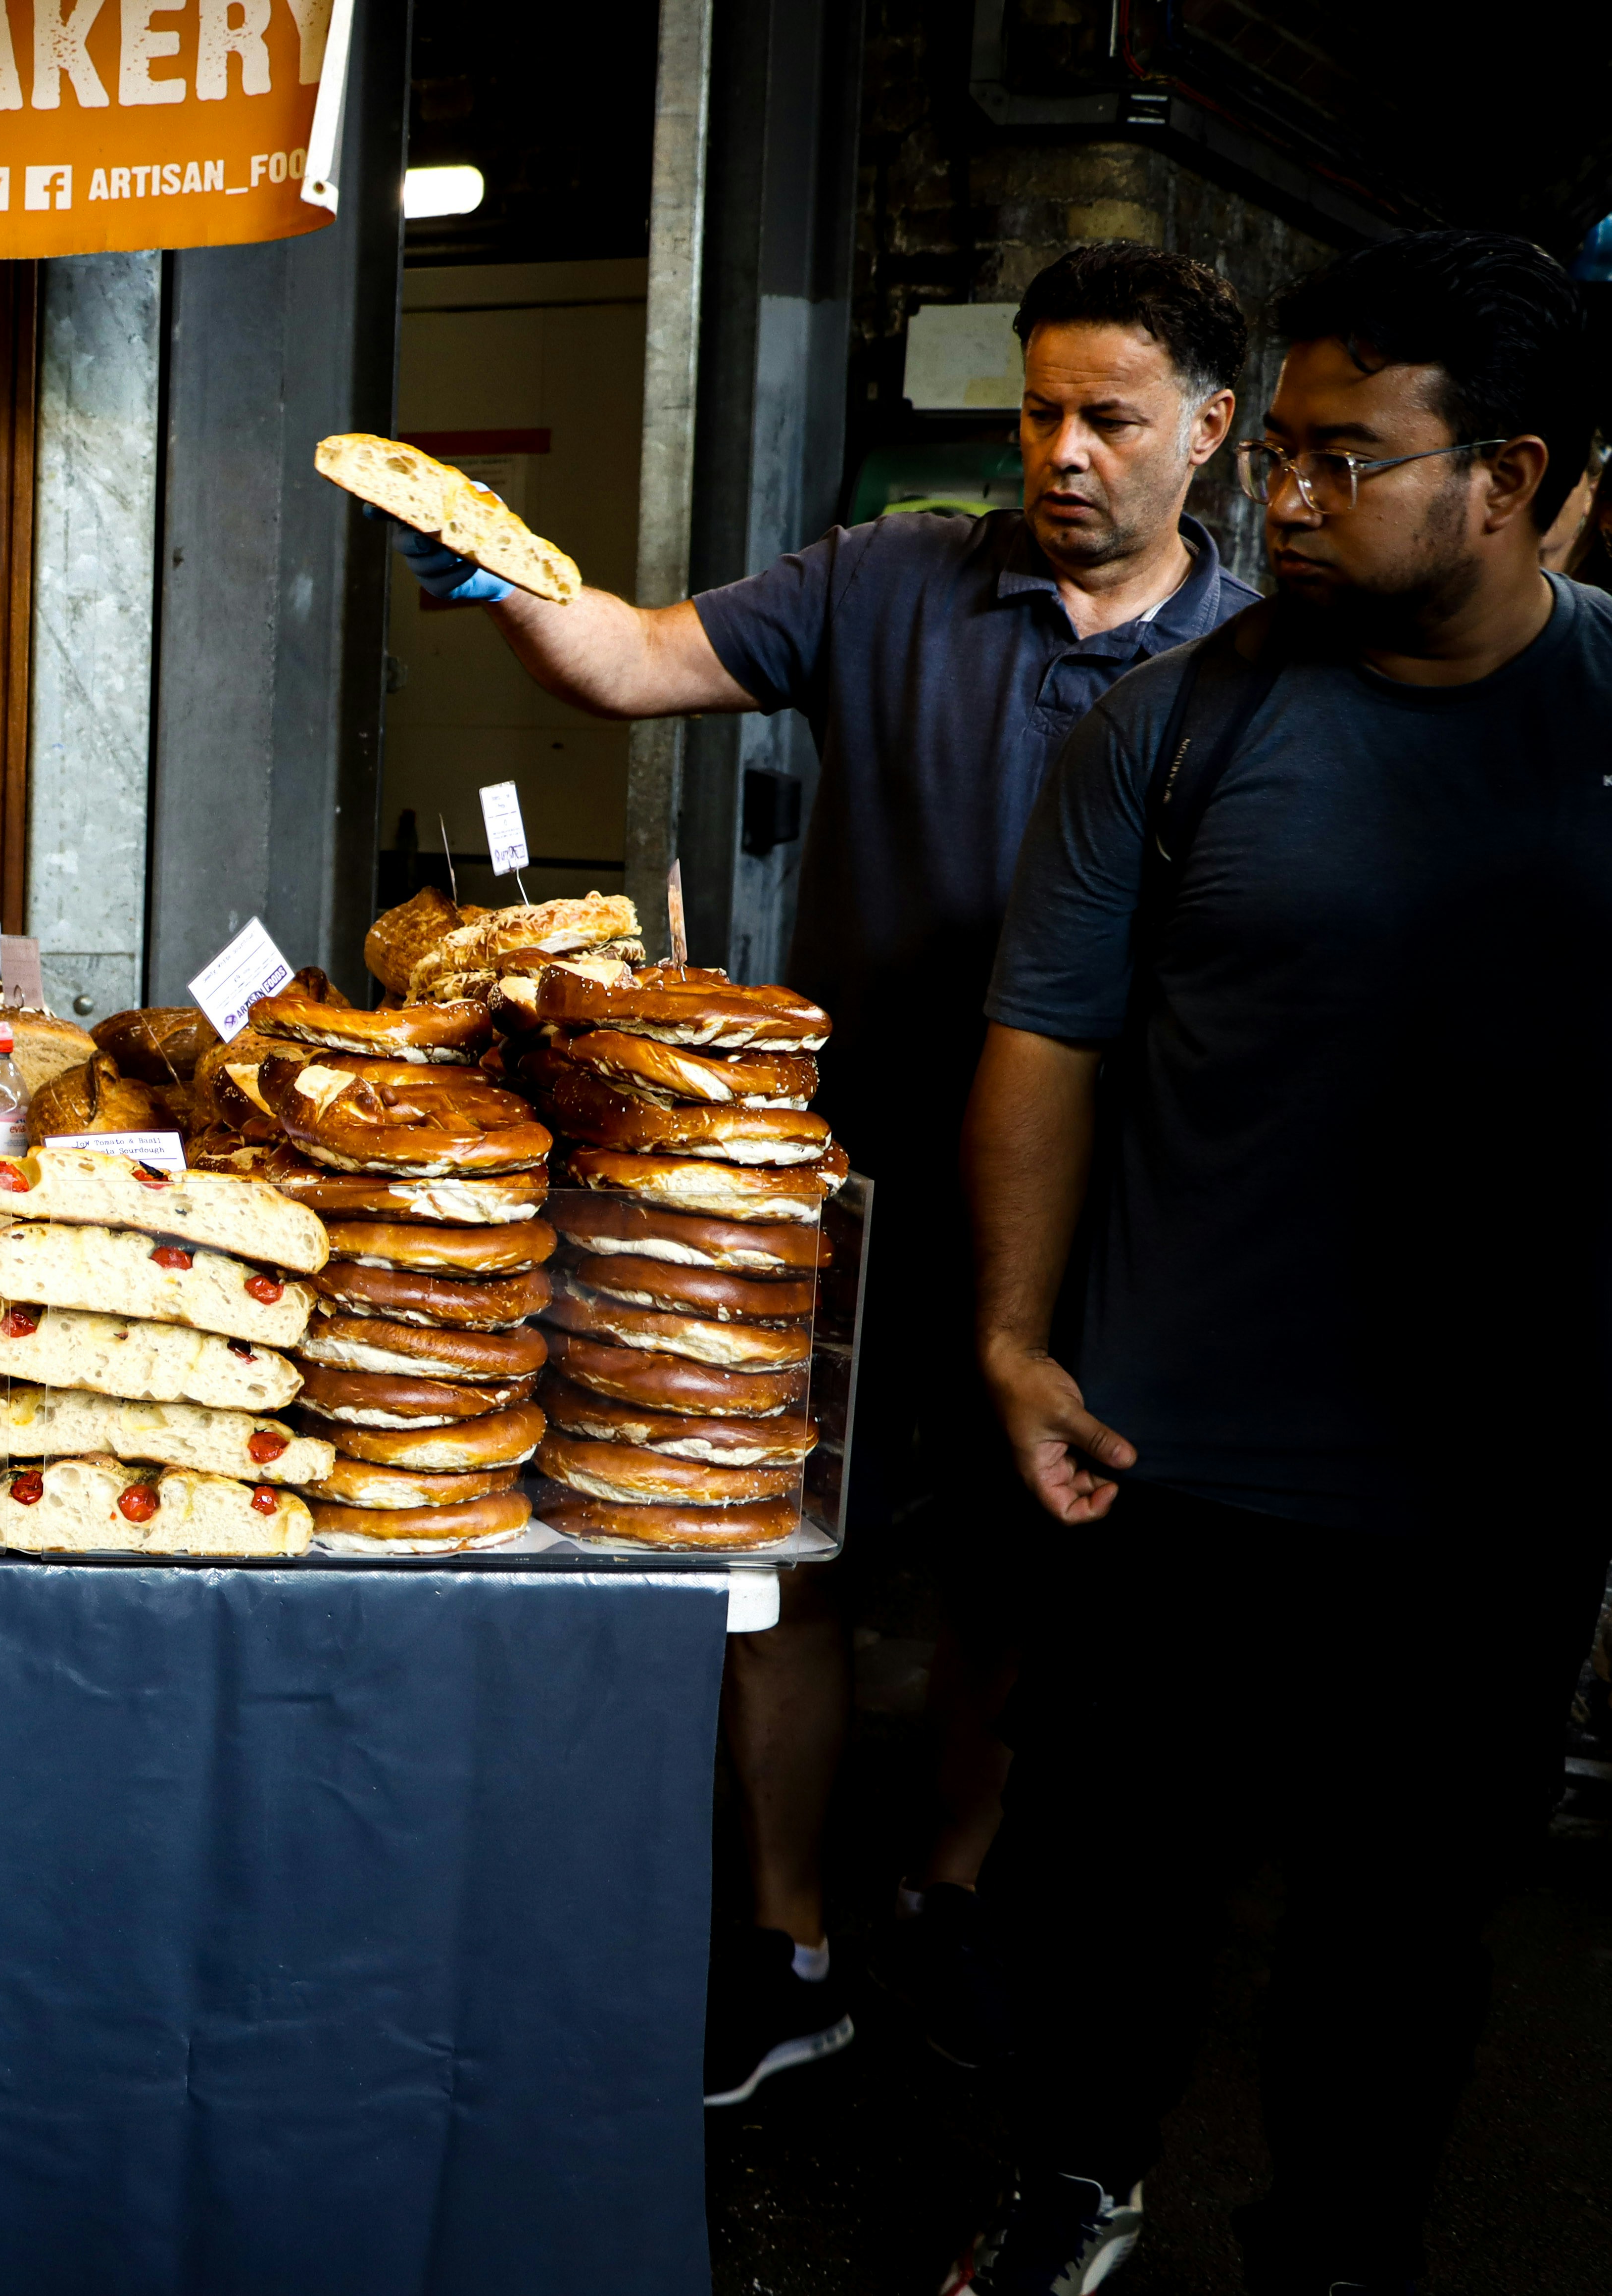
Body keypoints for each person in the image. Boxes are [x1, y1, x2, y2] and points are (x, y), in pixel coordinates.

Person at [384, 244, 1255, 2104]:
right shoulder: (890, 581)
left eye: (1110, 417)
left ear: (1211, 429)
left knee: (1023, 1587)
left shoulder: (1259, 665)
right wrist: (514, 585)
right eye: (1039, 411)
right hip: (826, 1189)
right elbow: (635, 658)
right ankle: (790, 1945)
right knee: (784, 1561)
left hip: (1105, 1213)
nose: (1066, 451)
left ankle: (945, 1907)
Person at [954, 228, 1612, 2296]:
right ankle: (1069, 2176)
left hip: (1488, 1487)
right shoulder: (1170, 730)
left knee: (1402, 1940)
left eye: (1343, 456)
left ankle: (1340, 2247)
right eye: (1285, 455)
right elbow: (1045, 1035)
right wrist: (1010, 1335)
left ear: (1502, 476)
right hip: (1175, 1458)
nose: (1284, 498)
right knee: (1099, 1900)